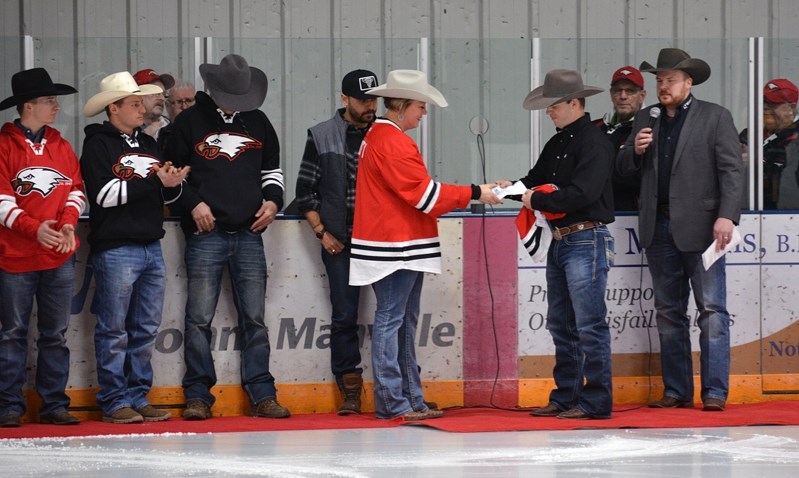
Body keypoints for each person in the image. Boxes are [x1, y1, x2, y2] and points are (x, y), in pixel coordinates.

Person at [349, 69, 500, 421]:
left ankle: (408, 398)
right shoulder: (393, 141)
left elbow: (420, 192)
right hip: (396, 245)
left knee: (399, 320)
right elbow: (425, 196)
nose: (424, 113)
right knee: (394, 320)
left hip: (396, 243)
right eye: (420, 106)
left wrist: (477, 191)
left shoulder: (382, 137)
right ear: (401, 106)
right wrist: (477, 192)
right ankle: (395, 400)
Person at [617, 48, 744, 412]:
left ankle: (715, 392)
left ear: (689, 82)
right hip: (658, 227)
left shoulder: (715, 116)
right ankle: (676, 390)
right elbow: (623, 168)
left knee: (712, 311)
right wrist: (636, 151)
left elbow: (732, 172)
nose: (663, 86)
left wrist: (727, 216)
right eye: (659, 80)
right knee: (668, 312)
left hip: (705, 228)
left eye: (670, 80)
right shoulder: (646, 117)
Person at [164, 54, 289, 420]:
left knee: (255, 318)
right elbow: (171, 177)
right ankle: (198, 395)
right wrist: (192, 204)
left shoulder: (259, 122)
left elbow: (272, 169)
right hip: (206, 233)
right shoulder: (187, 123)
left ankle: (262, 394)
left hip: (250, 230)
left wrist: (273, 201)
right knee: (198, 318)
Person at [500, 69, 615, 420]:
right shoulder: (560, 142)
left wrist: (531, 199)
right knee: (563, 324)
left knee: (588, 325)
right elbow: (534, 181)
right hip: (564, 239)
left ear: (574, 103)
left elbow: (582, 194)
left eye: (553, 105)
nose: (548, 111)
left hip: (584, 237)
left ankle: (593, 401)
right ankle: (567, 396)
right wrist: (506, 190)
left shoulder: (594, 143)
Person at [81, 71, 189, 424]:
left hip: (149, 245)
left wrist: (171, 185)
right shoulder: (98, 144)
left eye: (141, 103)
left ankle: (137, 395)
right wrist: (153, 182)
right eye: (133, 104)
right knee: (114, 329)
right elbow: (103, 196)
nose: (142, 109)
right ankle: (114, 399)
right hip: (116, 247)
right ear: (114, 108)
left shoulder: (148, 144)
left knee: (144, 329)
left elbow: (162, 193)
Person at [0, 68, 85, 428]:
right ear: (27, 106)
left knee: (56, 335)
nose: (56, 107)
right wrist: (34, 229)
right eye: (50, 101)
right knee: (12, 334)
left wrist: (67, 223)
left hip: (58, 256)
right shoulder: (3, 145)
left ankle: (53, 404)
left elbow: (76, 190)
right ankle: (8, 405)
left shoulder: (61, 145)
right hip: (15, 256)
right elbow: (1, 199)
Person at [295, 69, 379, 415]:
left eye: (374, 98)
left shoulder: (386, 133)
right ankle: (350, 389)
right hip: (340, 242)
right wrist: (322, 232)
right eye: (363, 100)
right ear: (344, 99)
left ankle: (399, 387)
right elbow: (305, 192)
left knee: (395, 316)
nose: (370, 105)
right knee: (344, 316)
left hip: (381, 241)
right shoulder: (321, 134)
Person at [739, 78, 799, 209]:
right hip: (748, 212)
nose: (765, 107)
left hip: (788, 214)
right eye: (764, 102)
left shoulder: (795, 141)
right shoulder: (748, 135)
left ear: (791, 107)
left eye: (773, 103)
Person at [594, 66, 647, 211]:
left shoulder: (651, 128)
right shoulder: (595, 128)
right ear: (611, 94)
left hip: (635, 217)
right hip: (596, 216)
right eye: (618, 90)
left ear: (642, 95)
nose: (623, 96)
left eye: (630, 91)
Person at [132, 68, 175, 141]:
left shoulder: (174, 130)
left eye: (164, 94)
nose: (162, 98)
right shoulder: (124, 131)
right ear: (137, 95)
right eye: (156, 93)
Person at [157, 80, 196, 153]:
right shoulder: (163, 134)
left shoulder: (205, 131)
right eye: (179, 102)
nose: (184, 107)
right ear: (168, 106)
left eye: (189, 100)